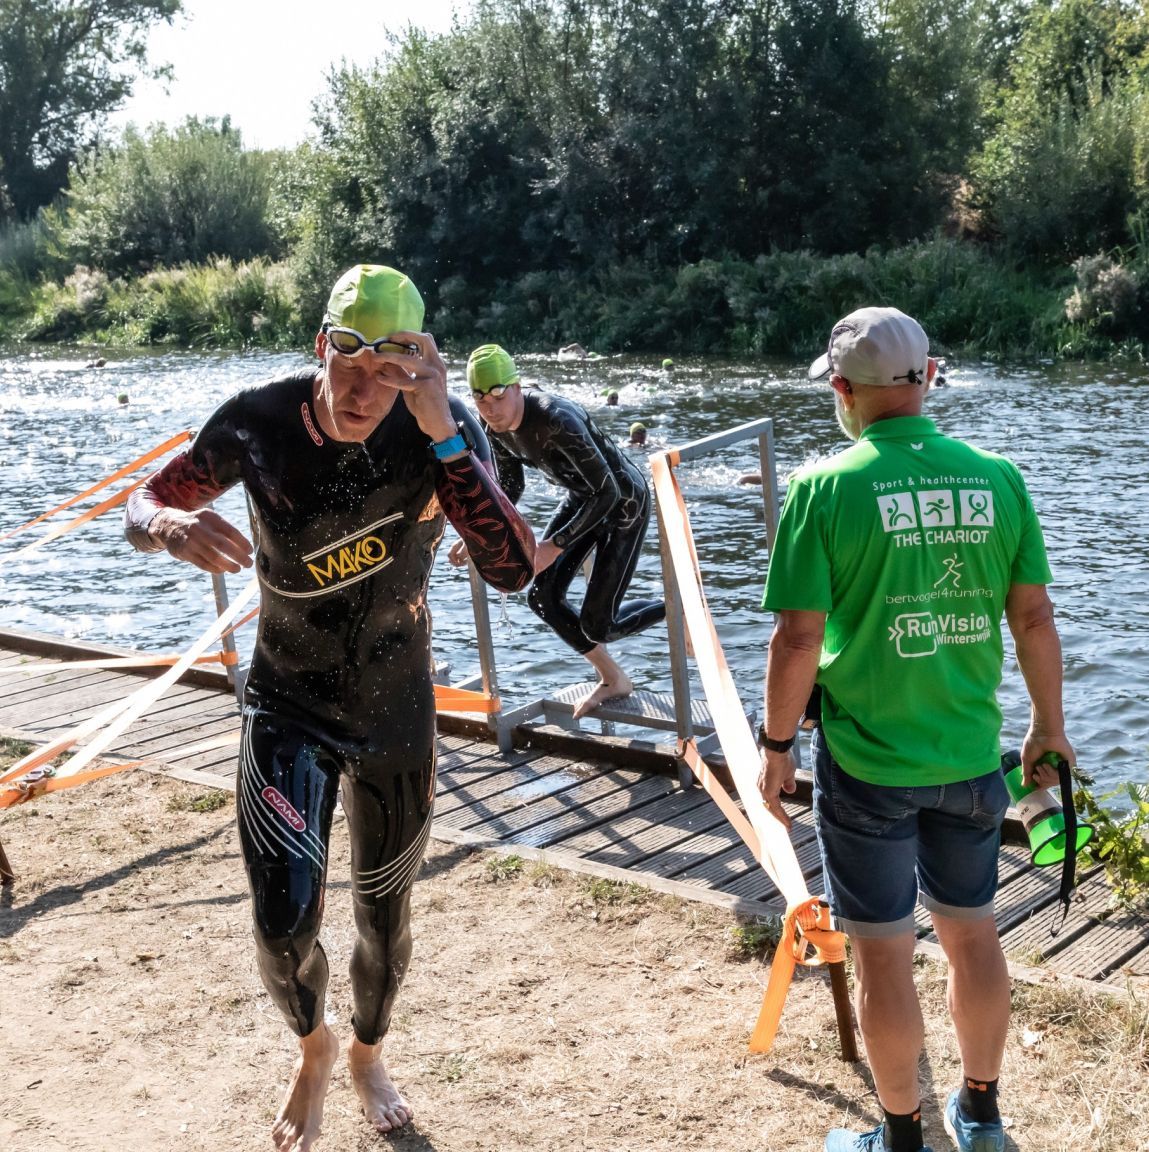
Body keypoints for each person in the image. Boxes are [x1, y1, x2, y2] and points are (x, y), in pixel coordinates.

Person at [123, 265, 534, 1152]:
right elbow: (148, 496)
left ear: (416, 366)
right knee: (282, 926)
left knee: (385, 926)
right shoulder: (259, 422)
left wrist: (442, 438)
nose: (361, 389)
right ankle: (312, 1048)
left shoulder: (447, 429)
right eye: (347, 361)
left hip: (397, 713)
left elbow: (510, 565)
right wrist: (164, 527)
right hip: (286, 704)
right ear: (322, 347)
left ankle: (365, 1052)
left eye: (387, 369)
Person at [756, 307, 1071, 1152]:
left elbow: (796, 638)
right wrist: (1049, 729)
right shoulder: (998, 477)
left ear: (841, 391)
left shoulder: (823, 487)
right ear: (926, 379)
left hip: (867, 767)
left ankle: (899, 1139)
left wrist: (776, 747)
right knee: (972, 935)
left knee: (884, 956)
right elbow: (1033, 618)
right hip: (971, 757)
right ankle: (979, 1114)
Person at [453, 343, 665, 719]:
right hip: (584, 499)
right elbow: (509, 489)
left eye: (498, 395)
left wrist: (555, 544)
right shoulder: (494, 427)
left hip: (623, 506)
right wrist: (480, 534)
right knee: (543, 598)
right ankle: (613, 678)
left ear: (517, 387)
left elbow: (609, 491)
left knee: (599, 624)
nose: (490, 408)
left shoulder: (556, 421)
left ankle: (676, 609)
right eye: (479, 398)